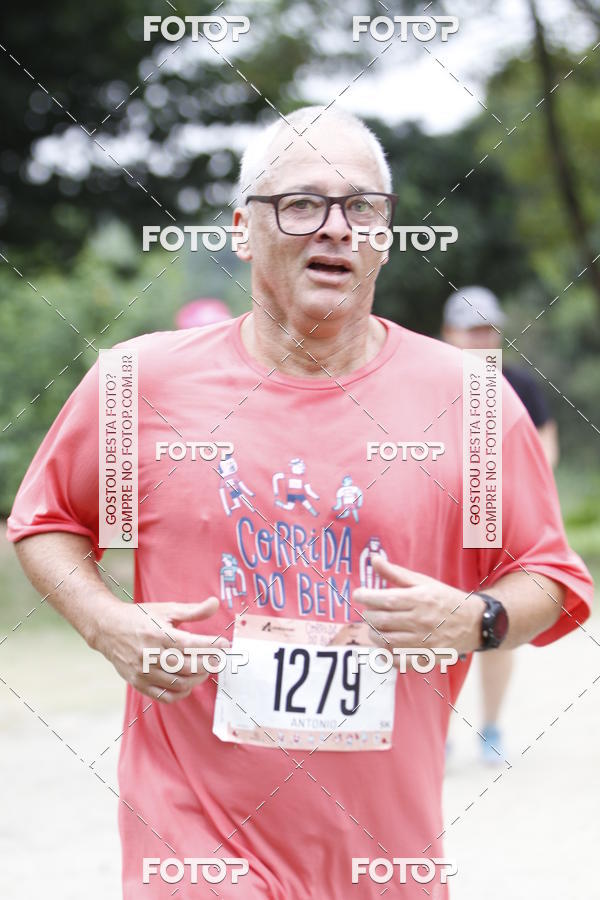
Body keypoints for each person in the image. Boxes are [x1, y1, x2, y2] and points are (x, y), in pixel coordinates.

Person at [7, 107, 593, 899]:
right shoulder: (139, 384)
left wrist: (477, 620)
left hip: (384, 857)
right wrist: (106, 622)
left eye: (362, 208)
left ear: (386, 236)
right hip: (193, 845)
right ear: (244, 228)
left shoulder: (470, 403)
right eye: (302, 203)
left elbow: (551, 577)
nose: (336, 228)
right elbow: (48, 522)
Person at [442, 286, 560, 763]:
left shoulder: (519, 386)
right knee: (437, 624)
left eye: (489, 329)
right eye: (473, 329)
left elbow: (545, 450)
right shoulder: (430, 383)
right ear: (449, 332)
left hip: (500, 521)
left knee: (496, 622)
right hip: (443, 520)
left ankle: (489, 726)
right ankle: (437, 731)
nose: (482, 339)